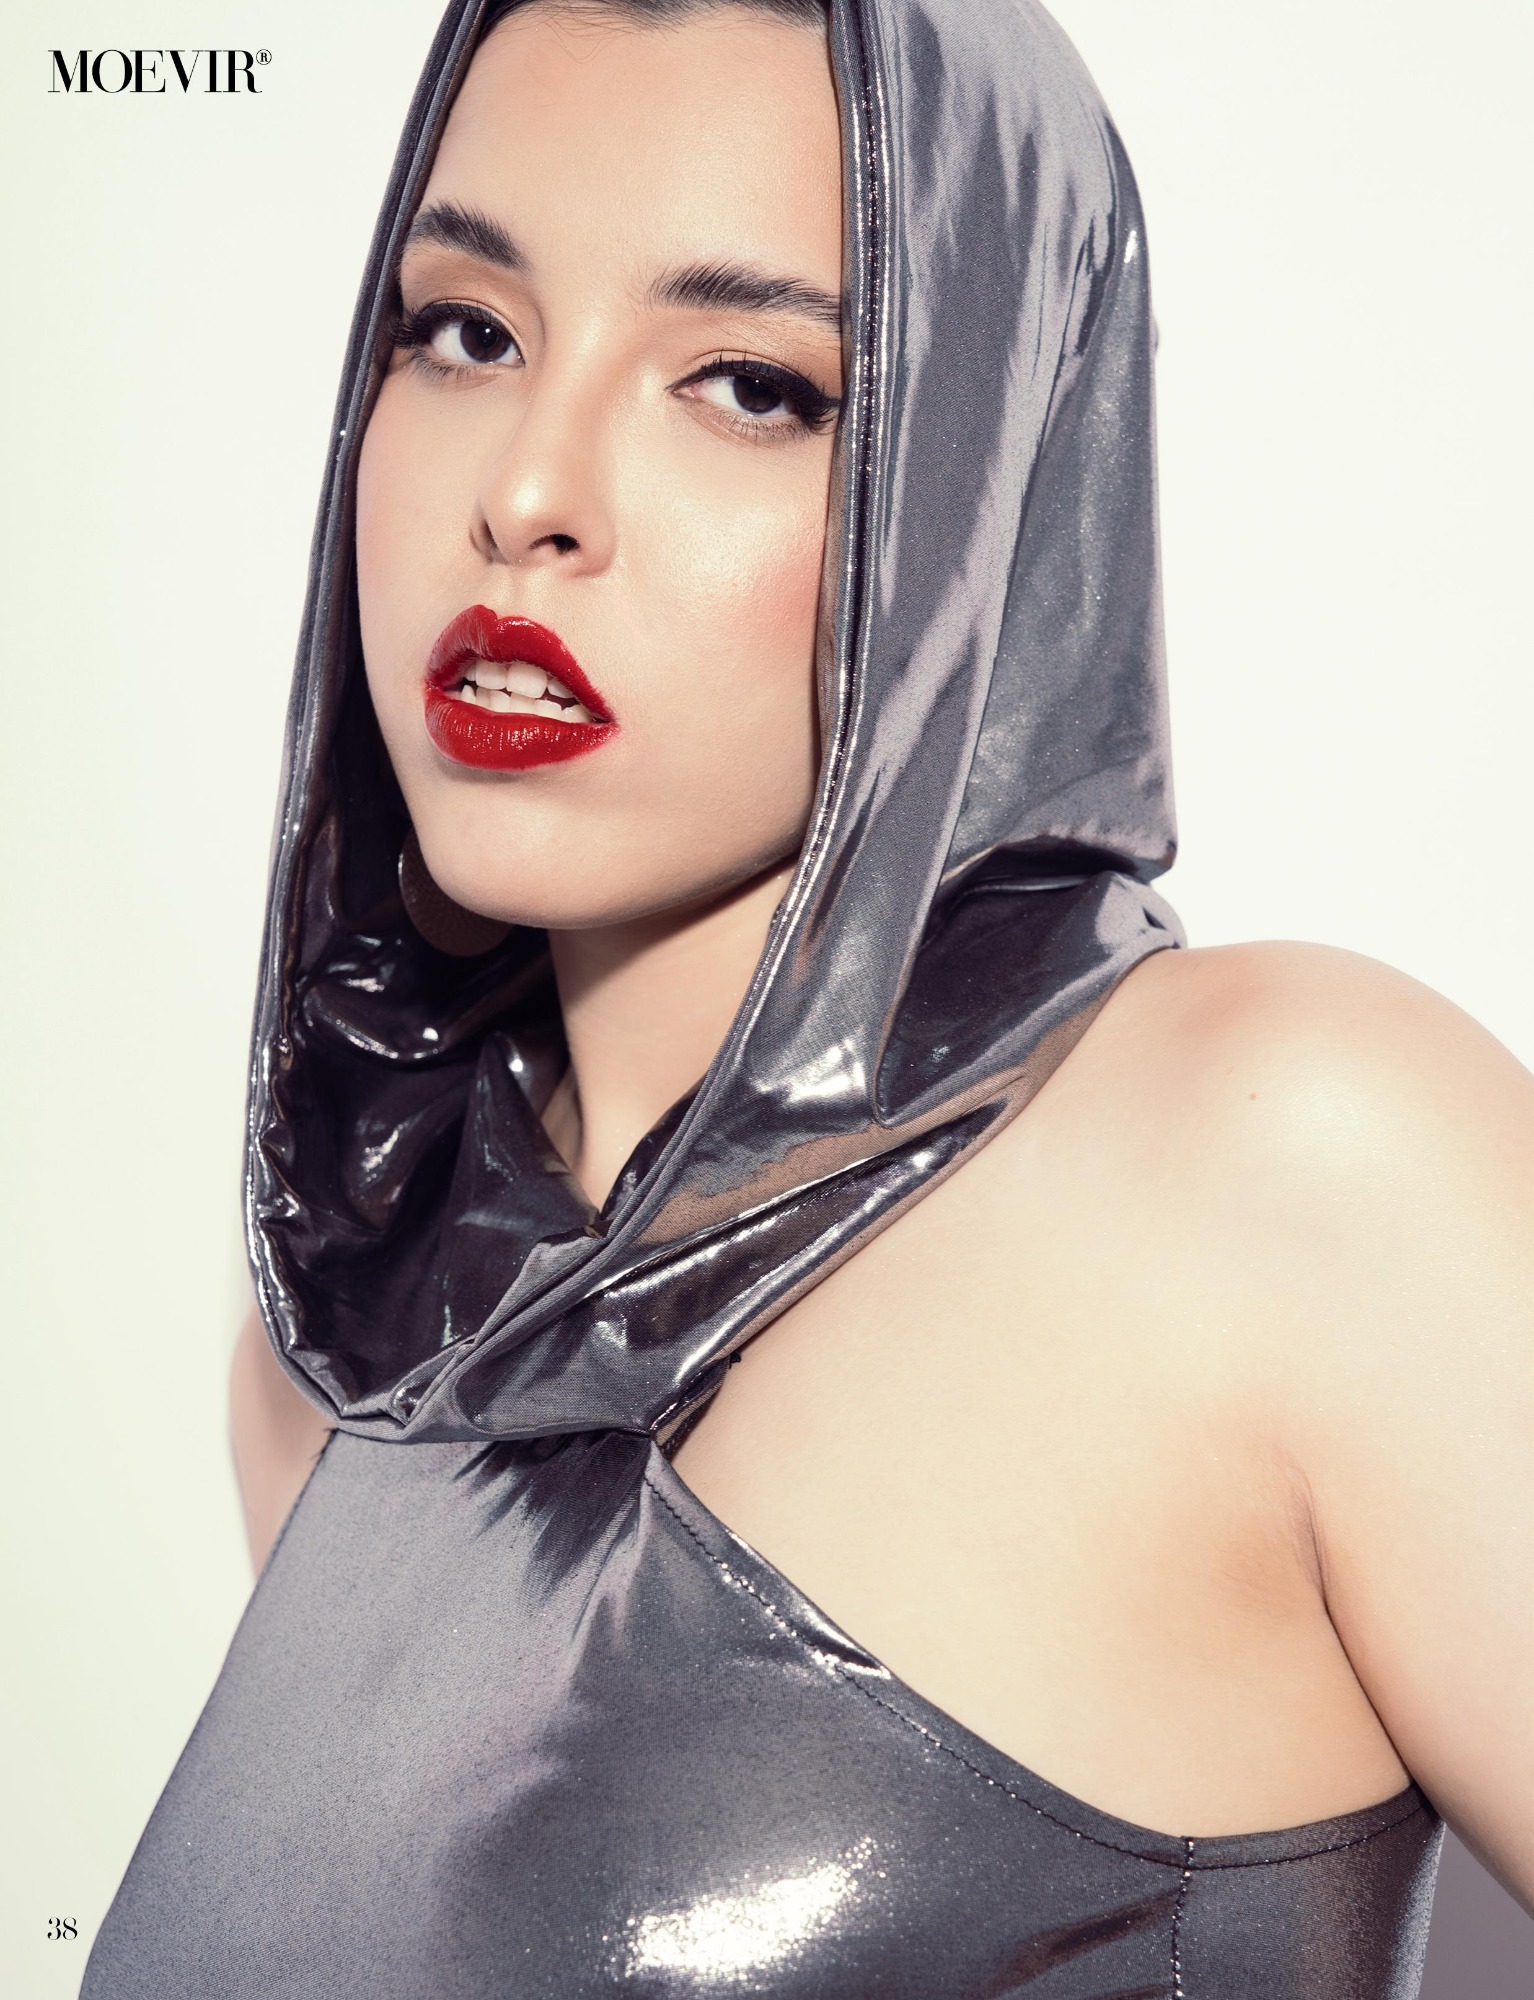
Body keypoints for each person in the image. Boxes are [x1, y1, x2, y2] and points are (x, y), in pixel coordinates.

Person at [85, 1, 1531, 1994]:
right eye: (466, 332)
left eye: (751, 384)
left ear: (990, 478)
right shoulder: (337, 1361)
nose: (530, 488)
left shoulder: (1284, 1165)